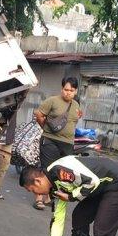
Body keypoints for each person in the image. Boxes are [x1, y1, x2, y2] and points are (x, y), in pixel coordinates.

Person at [32, 77, 82, 210]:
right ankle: (39, 199)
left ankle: (49, 197)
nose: (68, 93)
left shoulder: (76, 105)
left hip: (67, 143)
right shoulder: (52, 101)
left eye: (71, 90)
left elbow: (75, 119)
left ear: (76, 91)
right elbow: (39, 115)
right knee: (46, 169)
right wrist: (45, 129)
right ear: (62, 89)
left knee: (61, 172)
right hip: (50, 140)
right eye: (66, 89)